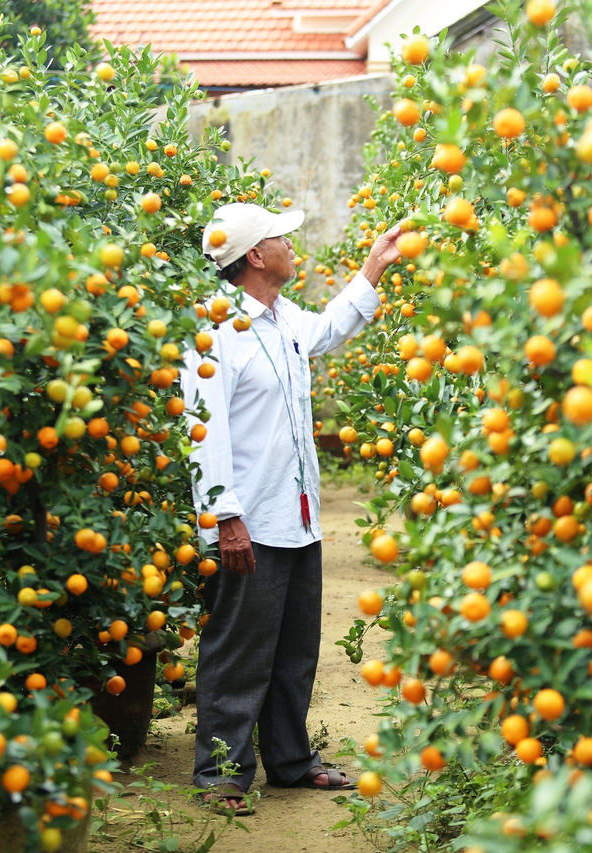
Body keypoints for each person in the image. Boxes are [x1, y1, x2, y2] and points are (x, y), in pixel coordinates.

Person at [180, 202, 401, 814]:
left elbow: (329, 328)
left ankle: (290, 760)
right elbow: (205, 431)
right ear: (255, 254)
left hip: (296, 517)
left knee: (295, 651)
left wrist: (375, 266)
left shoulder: (282, 320)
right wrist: (225, 516)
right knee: (238, 651)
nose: (291, 246)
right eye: (281, 238)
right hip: (248, 521)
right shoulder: (213, 328)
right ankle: (221, 774)